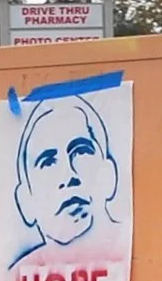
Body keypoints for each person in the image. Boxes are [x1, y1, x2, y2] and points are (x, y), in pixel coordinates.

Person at [8, 94, 121, 269]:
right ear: (25, 202)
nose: (68, 177)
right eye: (47, 162)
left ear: (110, 175)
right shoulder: (15, 277)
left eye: (81, 152)